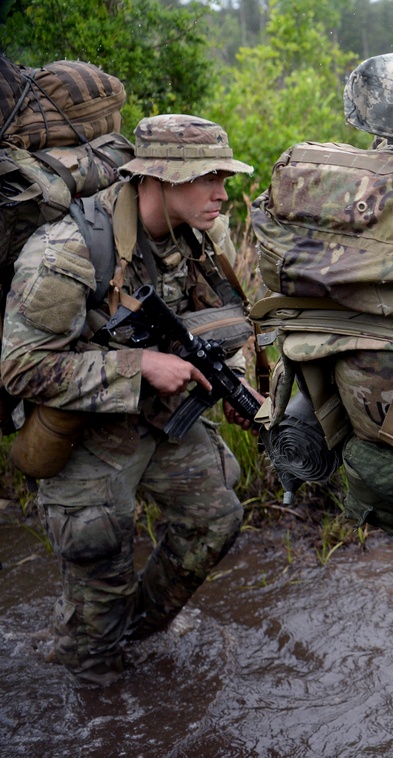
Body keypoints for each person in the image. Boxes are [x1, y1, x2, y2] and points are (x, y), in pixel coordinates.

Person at [1, 114, 261, 687]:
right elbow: (21, 367)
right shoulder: (67, 250)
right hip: (81, 429)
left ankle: (135, 632)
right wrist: (138, 365)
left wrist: (235, 382)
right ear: (158, 180)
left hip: (157, 419)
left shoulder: (196, 236)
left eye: (224, 175)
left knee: (216, 518)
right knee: (98, 569)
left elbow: (208, 321)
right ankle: (93, 668)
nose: (223, 192)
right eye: (207, 177)